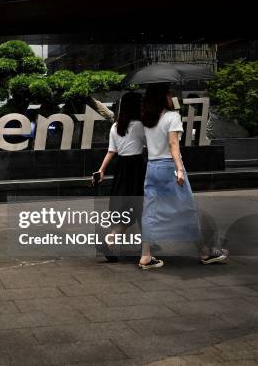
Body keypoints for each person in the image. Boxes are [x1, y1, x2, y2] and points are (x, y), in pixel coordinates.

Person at [139, 83, 228, 270]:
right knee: (186, 209)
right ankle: (205, 253)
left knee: (150, 210)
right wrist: (179, 169)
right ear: (164, 97)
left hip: (152, 167)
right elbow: (173, 145)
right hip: (169, 167)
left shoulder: (147, 119)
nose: (171, 96)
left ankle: (146, 255)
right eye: (169, 93)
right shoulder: (172, 116)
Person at [93, 92, 146, 261]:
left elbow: (111, 151)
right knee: (142, 208)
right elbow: (149, 144)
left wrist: (101, 170)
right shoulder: (141, 125)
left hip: (122, 169)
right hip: (138, 167)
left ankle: (113, 239)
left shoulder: (115, 126)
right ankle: (145, 249)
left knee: (129, 209)